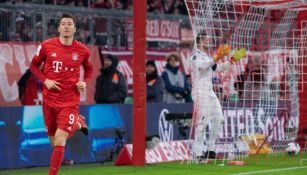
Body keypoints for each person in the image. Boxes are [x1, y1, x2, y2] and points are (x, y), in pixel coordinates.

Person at [30, 13, 93, 175]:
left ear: (74, 29)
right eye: (63, 24)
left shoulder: (82, 50)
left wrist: (84, 81)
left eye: (69, 24)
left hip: (70, 101)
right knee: (54, 142)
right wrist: (45, 81)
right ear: (58, 28)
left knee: (60, 139)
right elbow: (34, 66)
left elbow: (89, 69)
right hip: (49, 101)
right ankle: (78, 123)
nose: (66, 26)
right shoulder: (46, 46)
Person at [190, 32, 244, 160]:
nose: (210, 42)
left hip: (209, 91)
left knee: (219, 118)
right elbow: (203, 66)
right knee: (203, 121)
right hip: (200, 91)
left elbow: (218, 68)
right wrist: (217, 57)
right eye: (207, 40)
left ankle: (211, 149)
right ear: (200, 41)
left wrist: (231, 61)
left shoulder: (207, 56)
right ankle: (197, 152)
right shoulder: (195, 56)